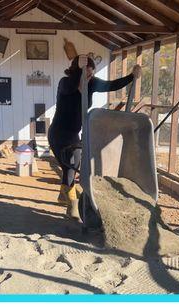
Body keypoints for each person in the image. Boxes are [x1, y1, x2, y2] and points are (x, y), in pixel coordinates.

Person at [48, 54, 142, 219]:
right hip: (58, 133)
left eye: (91, 74)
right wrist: (80, 71)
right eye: (86, 74)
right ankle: (72, 206)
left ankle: (65, 196)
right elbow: (71, 87)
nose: (90, 77)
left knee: (71, 166)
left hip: (73, 134)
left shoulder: (92, 83)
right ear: (77, 73)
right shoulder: (65, 82)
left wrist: (132, 76)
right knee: (71, 165)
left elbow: (112, 85)